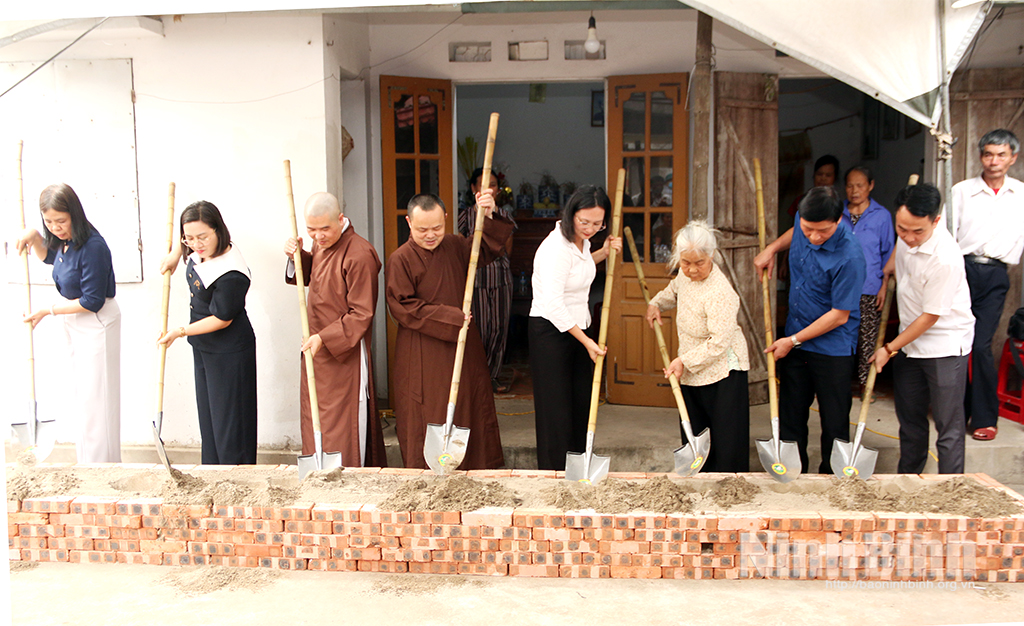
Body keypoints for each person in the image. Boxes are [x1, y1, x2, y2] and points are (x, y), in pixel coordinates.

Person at [385, 191, 513, 470]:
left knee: (469, 406)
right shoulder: (401, 259)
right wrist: (451, 317)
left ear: (445, 219)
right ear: (408, 223)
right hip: (423, 349)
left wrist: (487, 215)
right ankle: (427, 472)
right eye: (422, 230)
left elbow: (487, 249)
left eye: (437, 228)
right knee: (427, 411)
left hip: (462, 344)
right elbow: (403, 308)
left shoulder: (455, 245)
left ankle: (475, 470)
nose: (430, 235)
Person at [753, 186, 866, 475]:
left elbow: (839, 316)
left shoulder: (850, 256)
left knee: (835, 419)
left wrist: (791, 340)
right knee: (791, 414)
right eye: (808, 229)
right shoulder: (804, 223)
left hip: (832, 348)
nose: (814, 237)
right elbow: (794, 234)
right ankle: (791, 474)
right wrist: (773, 248)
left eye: (823, 231)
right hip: (796, 338)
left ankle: (833, 480)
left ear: (839, 220)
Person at [872, 183, 973, 473]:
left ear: (936, 221)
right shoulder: (906, 236)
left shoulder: (946, 259)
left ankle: (950, 490)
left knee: (948, 425)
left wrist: (889, 349)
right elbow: (902, 248)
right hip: (910, 343)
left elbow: (930, 317)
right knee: (910, 420)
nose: (909, 237)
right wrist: (891, 263)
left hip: (943, 346)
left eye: (918, 231)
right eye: (902, 229)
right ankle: (909, 482)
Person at [17, 184, 121, 463]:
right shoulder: (61, 240)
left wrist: (48, 310)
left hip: (96, 321)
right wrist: (35, 236)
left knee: (98, 398)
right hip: (72, 320)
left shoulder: (93, 246)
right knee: (82, 397)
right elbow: (51, 258)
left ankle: (104, 467)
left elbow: (92, 301)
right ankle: (87, 464)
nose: (56, 227)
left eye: (61, 221)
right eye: (48, 221)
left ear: (74, 214)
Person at [284, 192, 387, 467]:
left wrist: (324, 338)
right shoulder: (321, 244)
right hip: (316, 349)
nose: (318, 236)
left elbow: (361, 313)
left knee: (344, 426)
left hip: (344, 354)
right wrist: (297, 257)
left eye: (325, 228)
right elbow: (316, 274)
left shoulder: (359, 254)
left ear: (340, 220)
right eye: (311, 230)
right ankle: (317, 473)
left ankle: (348, 478)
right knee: (314, 418)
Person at [529, 185, 622, 471]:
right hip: (550, 332)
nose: (591, 228)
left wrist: (603, 252)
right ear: (570, 215)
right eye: (585, 222)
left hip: (577, 330)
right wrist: (587, 342)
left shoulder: (582, 243)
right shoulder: (555, 248)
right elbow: (555, 305)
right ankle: (554, 474)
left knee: (580, 404)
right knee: (556, 412)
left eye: (598, 223)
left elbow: (578, 270)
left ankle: (578, 467)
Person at [646, 220, 750, 472]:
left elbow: (718, 343)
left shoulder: (720, 292)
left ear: (711, 256)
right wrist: (655, 303)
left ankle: (729, 488)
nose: (691, 269)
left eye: (699, 263)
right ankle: (698, 480)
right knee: (695, 429)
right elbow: (674, 291)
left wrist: (684, 362)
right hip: (692, 367)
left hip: (723, 370)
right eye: (685, 262)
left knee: (726, 436)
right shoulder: (684, 273)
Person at [158, 201, 256, 465]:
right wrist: (176, 253)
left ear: (218, 230)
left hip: (229, 352)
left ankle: (236, 481)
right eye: (189, 238)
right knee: (210, 421)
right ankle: (212, 475)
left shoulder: (231, 272)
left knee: (230, 424)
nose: (196, 244)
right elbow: (187, 242)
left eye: (202, 237)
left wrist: (179, 331)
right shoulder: (195, 247)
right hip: (203, 348)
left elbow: (222, 319)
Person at [952, 129, 1024, 442]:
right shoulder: (962, 191)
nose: (994, 161)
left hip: (996, 274)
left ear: (1013, 158)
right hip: (962, 270)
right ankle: (956, 410)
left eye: (1001, 155)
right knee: (957, 343)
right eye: (988, 154)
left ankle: (983, 416)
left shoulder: (1020, 194)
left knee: (980, 344)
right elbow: (947, 235)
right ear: (980, 156)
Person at [458, 167, 517, 393]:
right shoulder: (465, 216)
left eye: (492, 185)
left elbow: (506, 250)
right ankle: (477, 378)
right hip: (476, 280)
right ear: (473, 189)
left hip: (500, 277)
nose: (488, 189)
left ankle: (492, 376)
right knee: (480, 328)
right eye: (483, 185)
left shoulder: (504, 216)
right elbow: (462, 248)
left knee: (498, 328)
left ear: (498, 190)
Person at [841, 166, 895, 387]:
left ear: (870, 186)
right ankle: (840, 383)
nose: (855, 190)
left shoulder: (881, 216)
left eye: (860, 185)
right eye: (850, 185)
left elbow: (888, 253)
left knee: (867, 339)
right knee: (841, 336)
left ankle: (866, 385)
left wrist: (883, 286)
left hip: (869, 286)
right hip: (841, 286)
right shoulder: (838, 213)